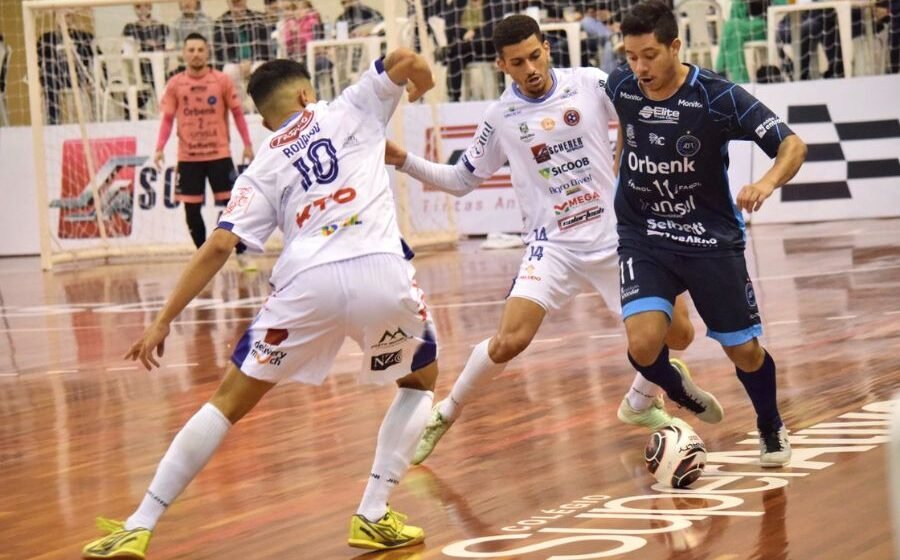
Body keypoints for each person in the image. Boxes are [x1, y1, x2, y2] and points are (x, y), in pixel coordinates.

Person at [81, 48, 438, 558]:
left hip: (303, 285)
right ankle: (373, 512)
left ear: (266, 117)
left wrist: (163, 319)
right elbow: (405, 58)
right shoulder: (350, 106)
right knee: (420, 381)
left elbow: (220, 245)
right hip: (378, 268)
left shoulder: (262, 164)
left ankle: (140, 523)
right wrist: (420, 86)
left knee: (226, 403)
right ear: (305, 94)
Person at [386, 14, 723, 466]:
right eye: (517, 62)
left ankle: (640, 401)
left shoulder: (590, 83)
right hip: (553, 247)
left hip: (619, 238)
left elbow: (642, 111)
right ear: (501, 65)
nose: (530, 68)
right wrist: (404, 159)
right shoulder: (501, 117)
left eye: (535, 55)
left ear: (547, 47)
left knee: (679, 334)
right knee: (509, 341)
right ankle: (443, 416)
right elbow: (462, 179)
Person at [606, 0, 807, 466]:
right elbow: (623, 130)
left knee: (745, 351)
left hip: (709, 239)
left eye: (650, 54)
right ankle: (678, 389)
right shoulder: (620, 83)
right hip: (644, 234)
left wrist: (765, 183)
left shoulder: (717, 97)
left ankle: (770, 425)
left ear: (675, 47)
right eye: (631, 56)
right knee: (642, 342)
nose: (639, 67)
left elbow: (793, 144)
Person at [153, 33, 255, 269]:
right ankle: (203, 260)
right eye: (191, 50)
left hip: (219, 154)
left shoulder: (222, 81)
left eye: (200, 49)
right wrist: (159, 148)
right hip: (189, 158)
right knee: (191, 209)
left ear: (208, 52)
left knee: (231, 206)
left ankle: (241, 253)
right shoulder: (175, 84)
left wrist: (247, 144)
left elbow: (238, 114)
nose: (196, 54)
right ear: (184, 53)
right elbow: (167, 119)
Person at [214, 0, 273, 111]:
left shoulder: (258, 19)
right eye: (234, 2)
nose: (237, 3)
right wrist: (239, 63)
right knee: (229, 70)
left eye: (239, 1)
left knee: (260, 67)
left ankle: (259, 107)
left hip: (255, 61)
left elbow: (265, 48)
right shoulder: (220, 23)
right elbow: (220, 54)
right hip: (234, 63)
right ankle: (240, 108)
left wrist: (250, 61)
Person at [37, 10, 94, 125]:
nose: (64, 20)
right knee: (49, 71)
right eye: (60, 16)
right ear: (55, 18)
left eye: (67, 16)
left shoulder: (85, 37)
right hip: (55, 78)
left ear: (72, 17)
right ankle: (54, 120)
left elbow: (94, 60)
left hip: (78, 77)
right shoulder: (46, 39)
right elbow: (40, 62)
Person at [122, 3, 170, 118]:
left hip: (159, 69)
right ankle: (135, 119)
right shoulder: (130, 28)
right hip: (139, 70)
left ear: (150, 7)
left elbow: (168, 50)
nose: (142, 10)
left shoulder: (162, 27)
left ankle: (168, 115)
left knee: (164, 82)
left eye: (145, 6)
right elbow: (127, 51)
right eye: (138, 7)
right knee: (133, 92)